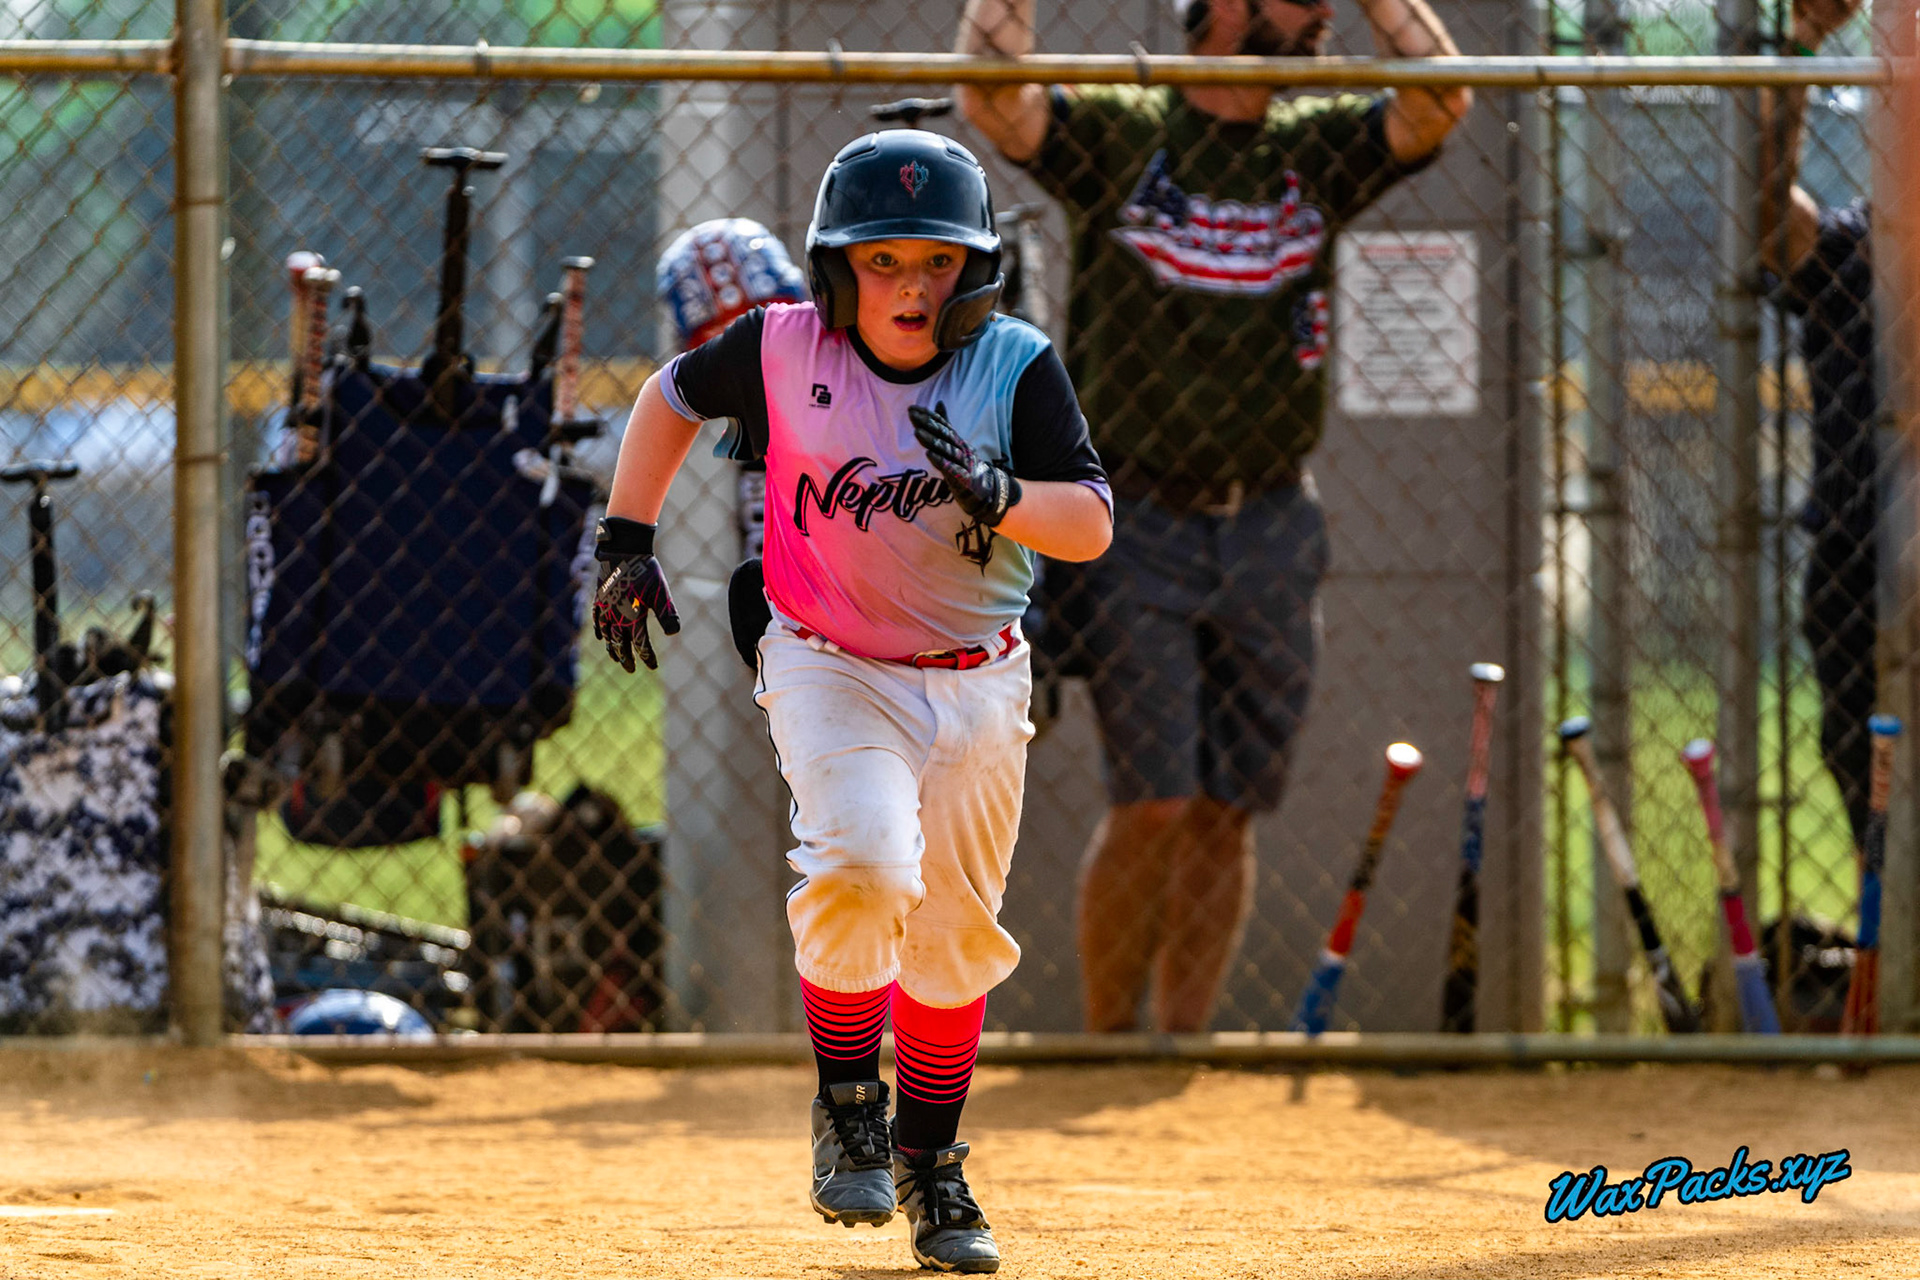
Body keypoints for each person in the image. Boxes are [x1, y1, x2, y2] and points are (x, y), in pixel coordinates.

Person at [594, 129, 1112, 1273]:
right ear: (835, 270)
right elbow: (667, 397)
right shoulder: (783, 349)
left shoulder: (1015, 365)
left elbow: (1089, 519)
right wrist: (624, 538)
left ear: (975, 273)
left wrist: (1002, 491)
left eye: (937, 261)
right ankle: (846, 1102)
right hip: (827, 656)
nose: (911, 286)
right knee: (864, 865)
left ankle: (933, 1163)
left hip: (978, 678)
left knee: (953, 938)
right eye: (882, 262)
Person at [955, 0, 1472, 1032]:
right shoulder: (1127, 130)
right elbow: (994, 97)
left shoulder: (1312, 148)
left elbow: (1439, 102)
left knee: (1227, 807)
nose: (1318, 15)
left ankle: (1182, 1048)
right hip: (1137, 515)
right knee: (1153, 799)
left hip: (1274, 515)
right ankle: (1111, 1043)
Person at [1759, 0, 1879, 852]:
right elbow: (1766, 211)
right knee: (1860, 766)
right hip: (1855, 557)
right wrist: (1799, 46)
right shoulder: (1851, 254)